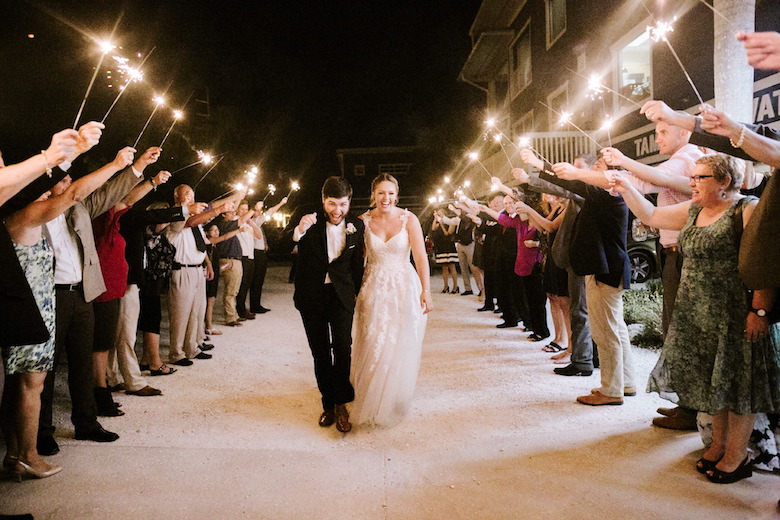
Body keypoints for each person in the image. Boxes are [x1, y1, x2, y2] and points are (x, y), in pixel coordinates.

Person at [611, 154, 780, 483]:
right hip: (697, 315)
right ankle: (718, 444)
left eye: (700, 177)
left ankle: (738, 454)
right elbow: (652, 214)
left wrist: (760, 311)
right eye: (693, 176)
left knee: (739, 386)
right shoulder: (693, 210)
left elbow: (765, 262)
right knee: (711, 383)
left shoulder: (745, 209)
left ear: (724, 182)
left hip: (734, 315)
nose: (692, 182)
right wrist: (626, 187)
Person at [0, 140, 121, 481]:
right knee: (31, 386)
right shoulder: (21, 216)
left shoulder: (24, 216)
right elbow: (70, 195)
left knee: (21, 385)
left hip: (32, 311)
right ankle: (28, 454)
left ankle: (15, 454)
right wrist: (110, 164)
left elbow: (66, 195)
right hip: (28, 313)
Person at [351, 174, 432, 427]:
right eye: (380, 193)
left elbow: (420, 257)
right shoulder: (363, 221)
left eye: (390, 193)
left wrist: (426, 291)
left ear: (396, 195)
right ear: (373, 195)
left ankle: (392, 396)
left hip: (402, 287)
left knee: (399, 341)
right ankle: (370, 395)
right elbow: (357, 259)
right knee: (373, 339)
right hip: (373, 286)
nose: (385, 198)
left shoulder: (409, 219)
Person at [290, 176, 365, 433]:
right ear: (323, 200)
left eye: (342, 204)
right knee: (320, 352)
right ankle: (328, 404)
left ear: (349, 202)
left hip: (341, 295)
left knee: (343, 348)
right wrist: (299, 229)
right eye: (332, 204)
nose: (337, 211)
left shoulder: (356, 225)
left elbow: (356, 265)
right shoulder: (308, 219)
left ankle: (343, 403)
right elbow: (279, 244)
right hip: (312, 296)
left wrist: (356, 293)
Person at [249, 197, 287, 313]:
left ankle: (256, 304)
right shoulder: (254, 222)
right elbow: (270, 212)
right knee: (256, 280)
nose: (260, 213)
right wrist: (281, 203)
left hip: (261, 253)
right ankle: (254, 306)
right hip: (257, 253)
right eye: (258, 211)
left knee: (259, 280)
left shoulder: (257, 223)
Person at [430, 208, 459, 293]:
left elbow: (448, 233)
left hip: (449, 245)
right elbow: (433, 228)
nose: (439, 215)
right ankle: (446, 286)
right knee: (444, 268)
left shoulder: (450, 222)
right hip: (441, 246)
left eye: (440, 213)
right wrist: (435, 218)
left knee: (452, 267)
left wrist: (442, 225)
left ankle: (455, 286)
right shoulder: (438, 222)